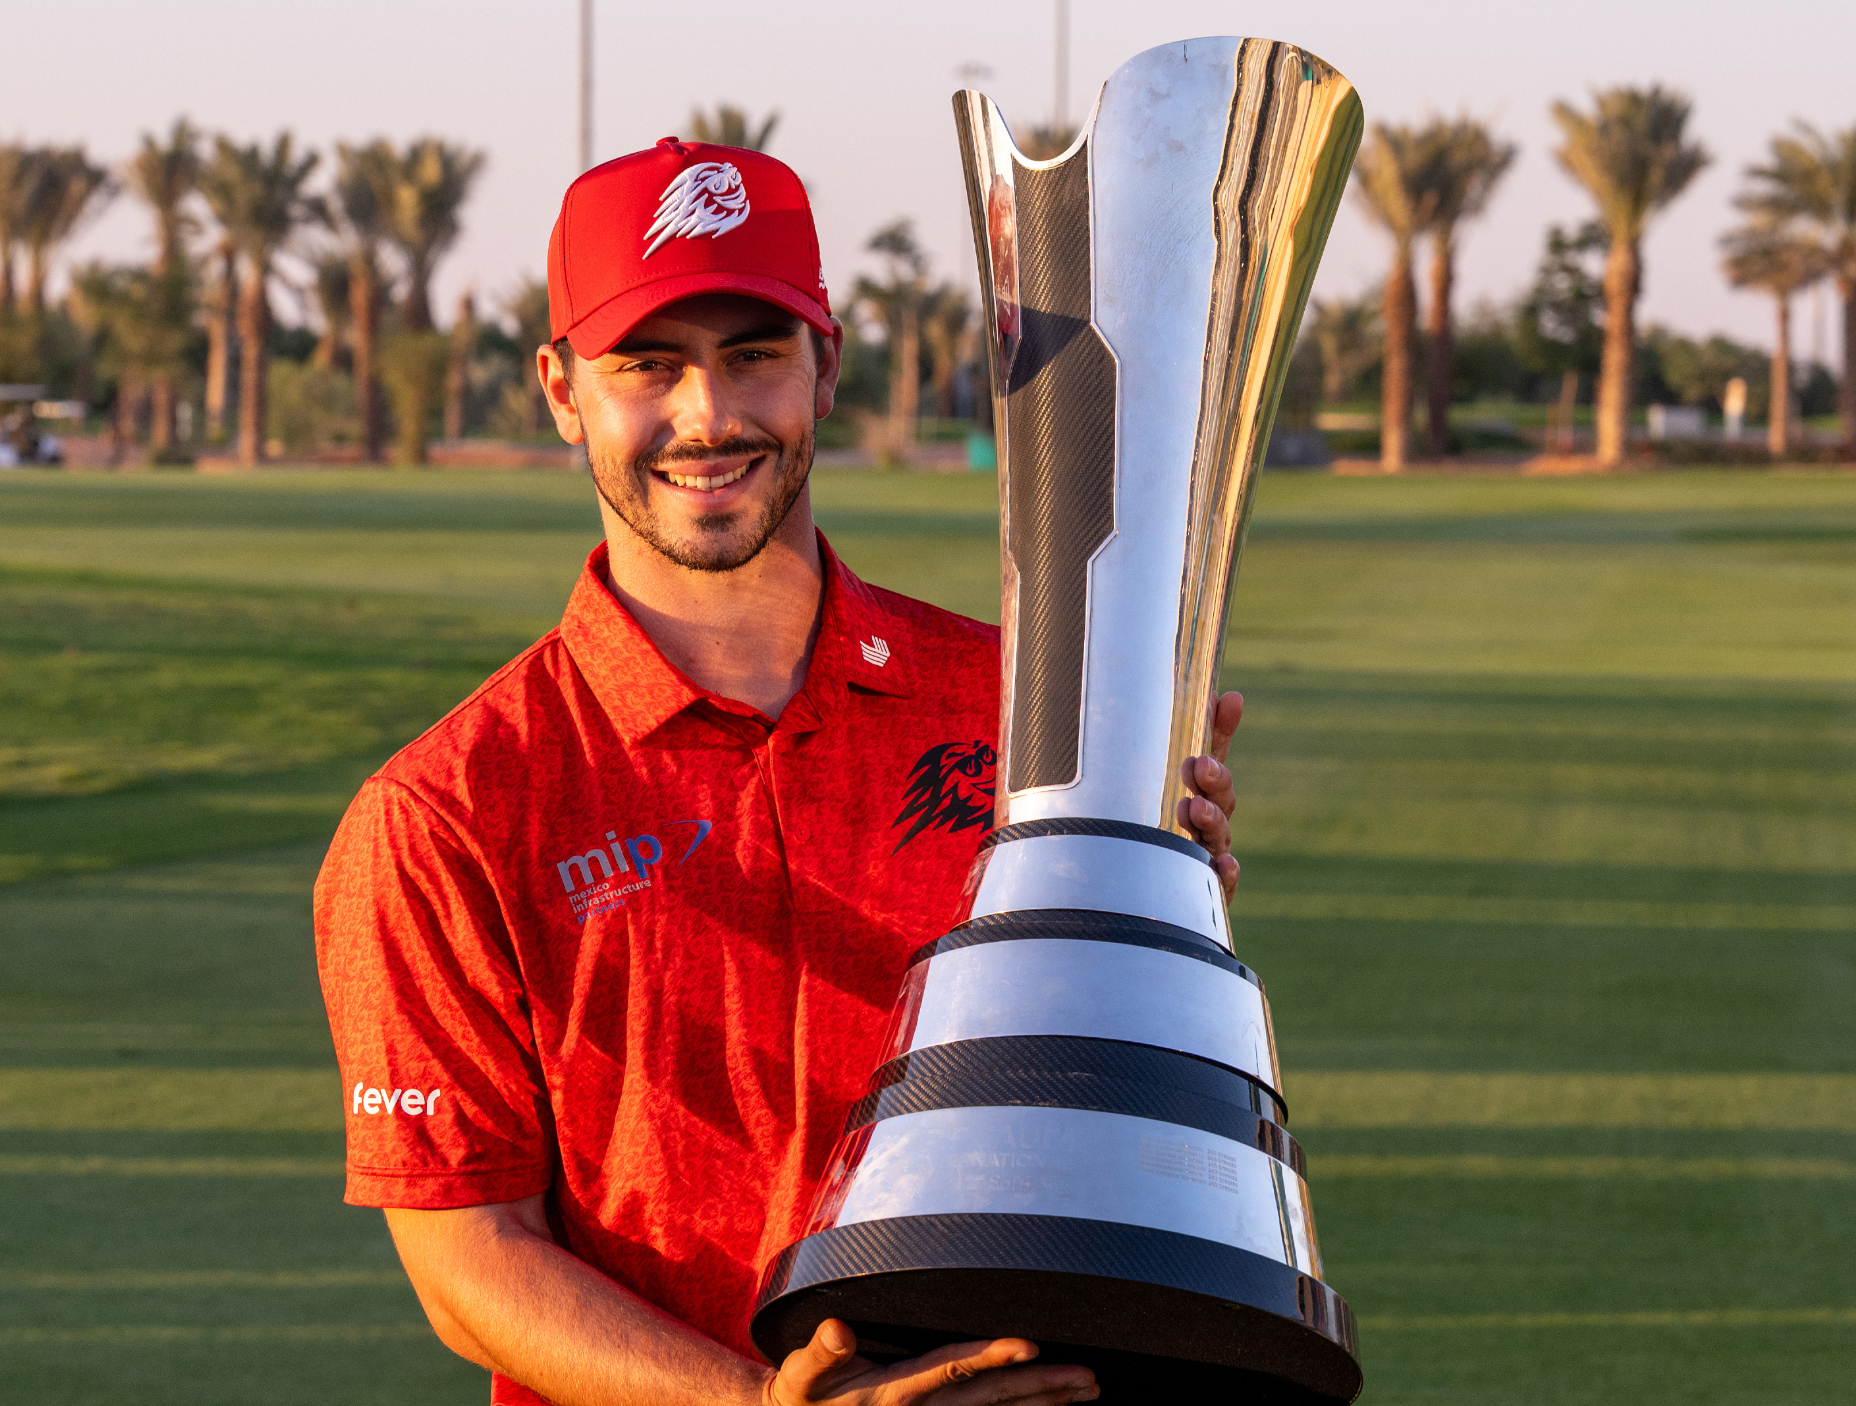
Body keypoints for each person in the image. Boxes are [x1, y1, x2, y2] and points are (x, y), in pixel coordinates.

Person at [314, 138, 1245, 1406]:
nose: (709, 417)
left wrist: (1164, 906)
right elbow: (464, 1251)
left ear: (826, 365)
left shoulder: (1029, 698)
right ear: (558, 387)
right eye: (648, 364)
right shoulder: (444, 813)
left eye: (752, 353)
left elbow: (1111, 1099)